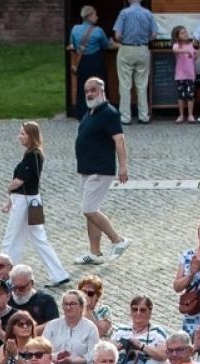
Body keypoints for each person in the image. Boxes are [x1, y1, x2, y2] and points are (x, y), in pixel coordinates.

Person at [1, 122, 70, 288]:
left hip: (24, 201)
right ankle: (59, 274)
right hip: (32, 200)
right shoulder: (34, 154)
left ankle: (3, 276)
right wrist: (10, 199)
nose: (20, 136)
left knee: (10, 239)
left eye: (23, 134)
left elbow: (20, 180)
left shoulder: (32, 155)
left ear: (31, 136)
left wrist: (8, 188)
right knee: (39, 238)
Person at [74, 77, 129, 267]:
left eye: (93, 90)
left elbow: (119, 140)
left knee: (88, 209)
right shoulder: (90, 112)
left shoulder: (109, 113)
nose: (89, 94)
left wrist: (123, 166)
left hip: (100, 170)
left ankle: (118, 240)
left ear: (102, 91)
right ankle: (95, 252)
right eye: (86, 90)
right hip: (87, 169)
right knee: (91, 211)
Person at [67, 7, 109, 120]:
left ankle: (81, 113)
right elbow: (106, 45)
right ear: (89, 16)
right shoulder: (98, 31)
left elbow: (74, 45)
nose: (97, 17)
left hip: (82, 61)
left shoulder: (74, 29)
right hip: (96, 61)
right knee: (99, 87)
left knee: (83, 87)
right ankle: (100, 111)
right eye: (95, 15)